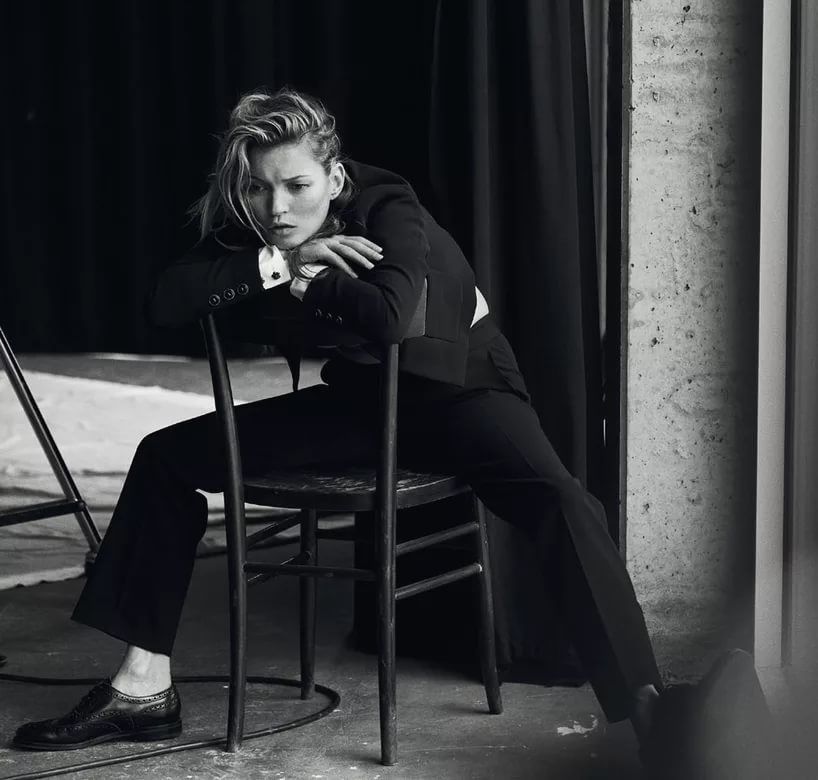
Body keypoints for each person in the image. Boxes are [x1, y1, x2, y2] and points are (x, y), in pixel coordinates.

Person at [11, 87, 721, 772]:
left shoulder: (388, 201)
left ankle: (650, 710)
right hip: (359, 405)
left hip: (459, 393)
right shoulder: (260, 227)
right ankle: (143, 690)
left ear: (335, 176)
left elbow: (390, 315)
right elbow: (165, 302)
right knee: (164, 457)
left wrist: (309, 280)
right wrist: (285, 260)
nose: (277, 207)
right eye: (259, 189)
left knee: (563, 501)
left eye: (296, 186)